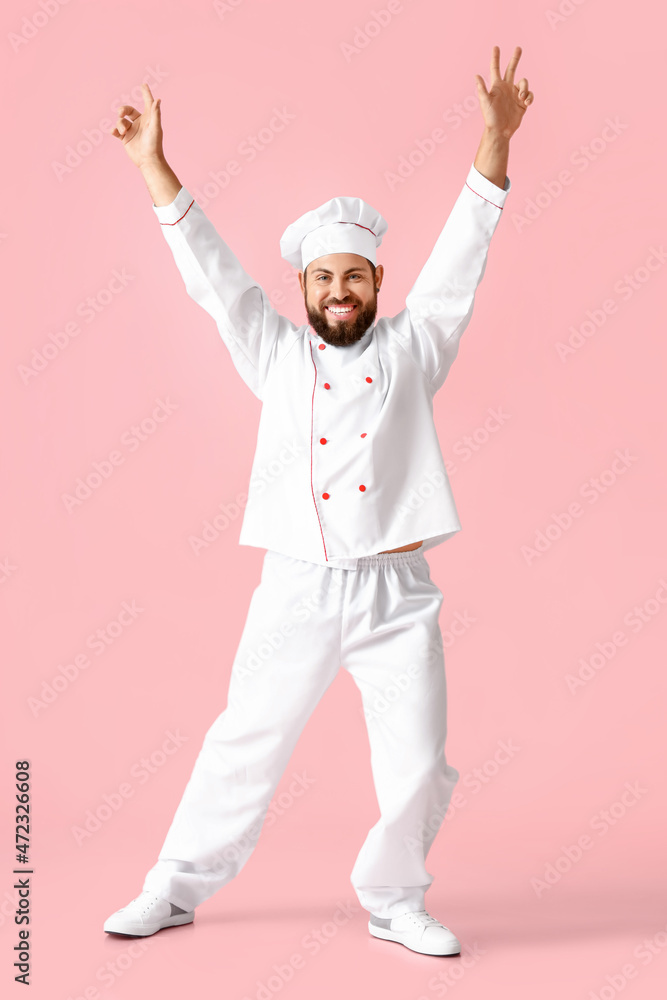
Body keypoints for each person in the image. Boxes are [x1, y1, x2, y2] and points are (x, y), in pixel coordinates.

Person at [103, 45, 533, 957]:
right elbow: (215, 282)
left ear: (378, 284)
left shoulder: (418, 347)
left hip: (395, 588)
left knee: (418, 760)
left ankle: (394, 898)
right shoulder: (276, 354)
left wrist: (493, 143)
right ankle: (173, 889)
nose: (339, 292)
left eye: (354, 276)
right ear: (302, 291)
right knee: (244, 743)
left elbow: (462, 254)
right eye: (323, 279)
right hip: (296, 585)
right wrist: (154, 167)